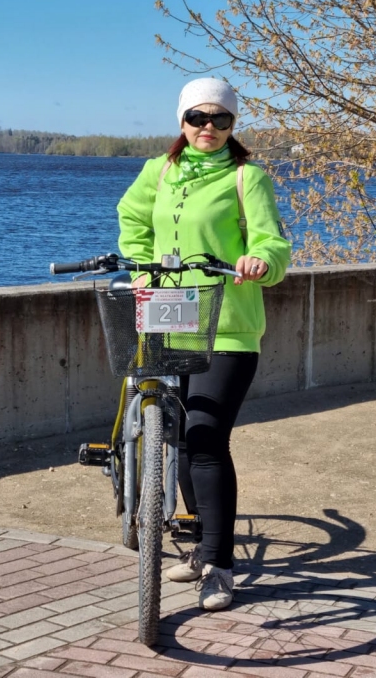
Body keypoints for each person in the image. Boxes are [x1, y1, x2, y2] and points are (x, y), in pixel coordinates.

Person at [116, 77, 291, 610]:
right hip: (167, 317)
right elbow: (132, 219)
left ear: (233, 124)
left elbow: (274, 242)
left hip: (230, 325)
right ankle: (199, 550)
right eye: (198, 118)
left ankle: (220, 565)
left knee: (208, 437)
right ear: (181, 120)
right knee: (182, 441)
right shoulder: (160, 171)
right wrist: (142, 266)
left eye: (221, 119)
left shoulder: (247, 177)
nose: (208, 128)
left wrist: (260, 261)